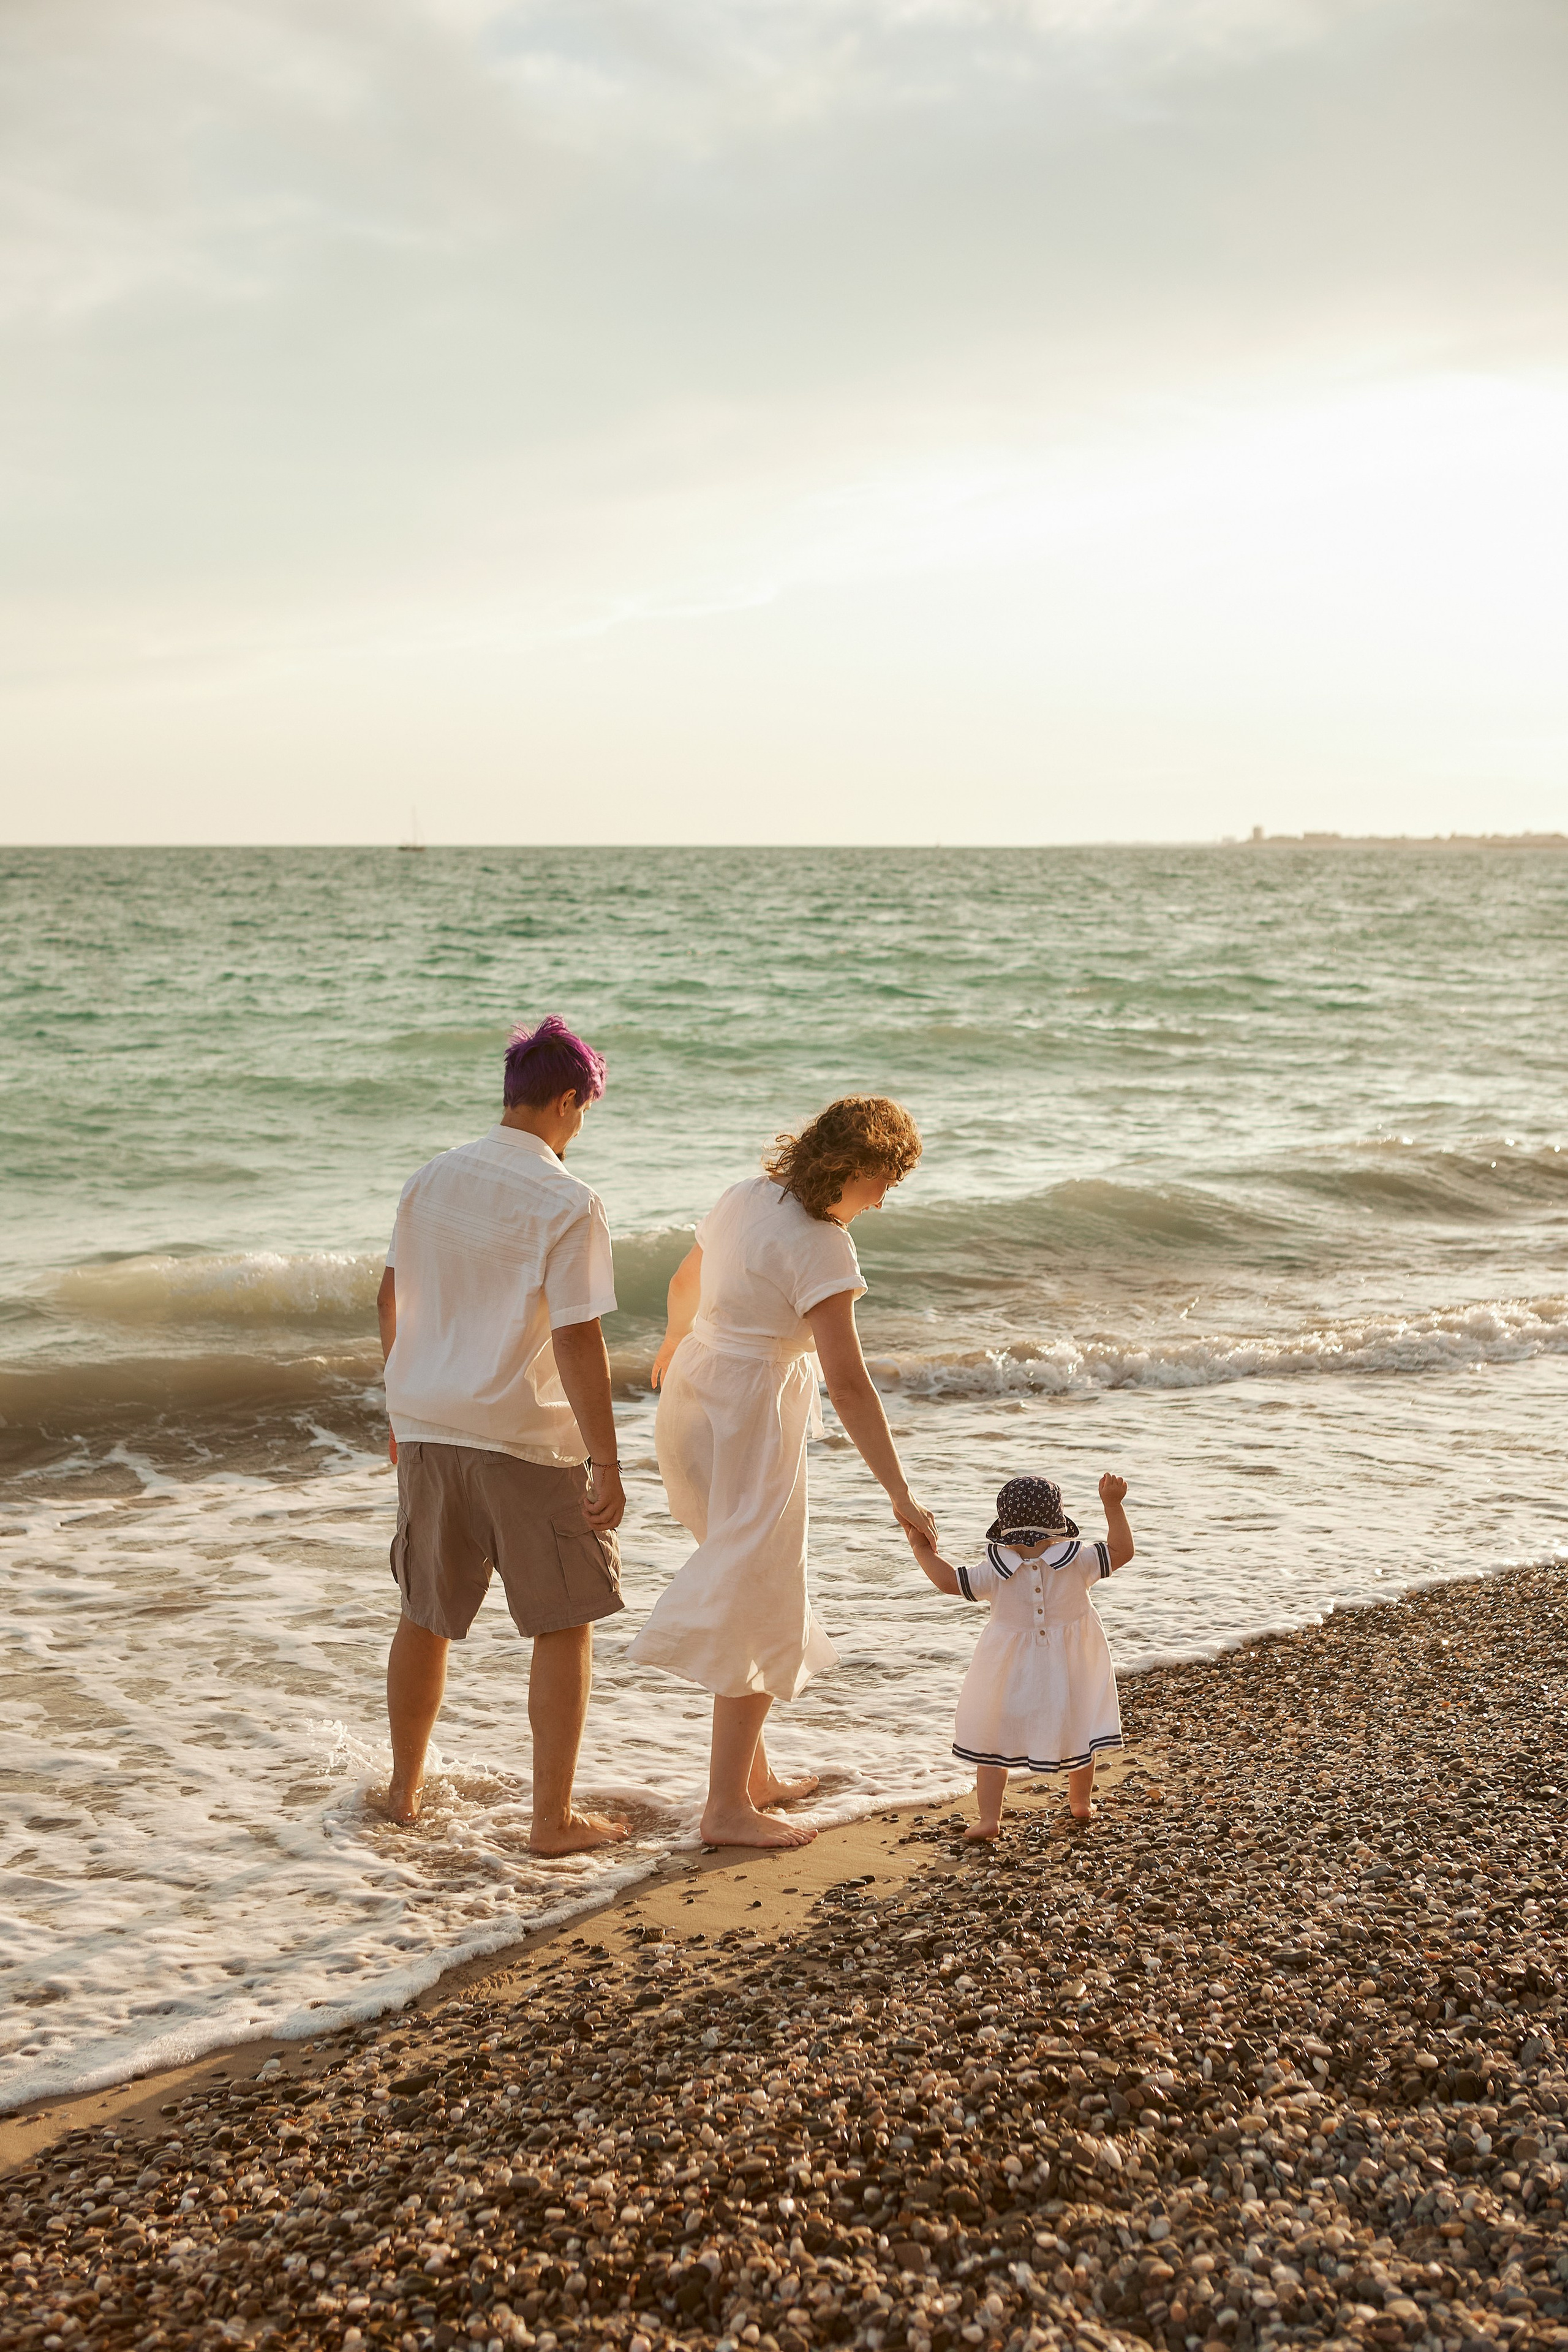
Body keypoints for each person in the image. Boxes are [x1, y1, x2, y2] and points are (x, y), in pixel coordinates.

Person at [627, 1096, 938, 1850]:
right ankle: (726, 1811)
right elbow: (850, 1380)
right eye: (883, 1182)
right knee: (760, 1595)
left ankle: (752, 1782)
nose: (884, 1198)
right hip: (750, 1417)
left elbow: (682, 1284)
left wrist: (673, 1348)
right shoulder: (823, 1246)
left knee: (739, 1580)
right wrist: (900, 1492)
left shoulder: (743, 1197)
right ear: (854, 1169)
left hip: (693, 1396)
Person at [376, 1015, 628, 1855]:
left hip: (429, 1426)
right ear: (565, 1101)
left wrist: (401, 1411)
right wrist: (608, 1460)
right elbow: (578, 1338)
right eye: (583, 1109)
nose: (580, 1125)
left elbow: (391, 1299)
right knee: (564, 1622)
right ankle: (551, 1822)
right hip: (524, 1438)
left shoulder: (429, 1180)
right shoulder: (569, 1200)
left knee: (425, 1615)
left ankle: (402, 1794)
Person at [903, 1471, 1134, 1839]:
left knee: (994, 1734)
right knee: (1080, 1722)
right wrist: (1112, 1506)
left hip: (1007, 1666)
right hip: (1073, 1661)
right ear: (1058, 1523)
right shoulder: (1079, 1560)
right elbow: (1122, 1551)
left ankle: (989, 1820)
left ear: (1004, 1526)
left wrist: (921, 1550)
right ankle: (1080, 1803)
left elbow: (949, 1582)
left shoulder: (994, 1570)